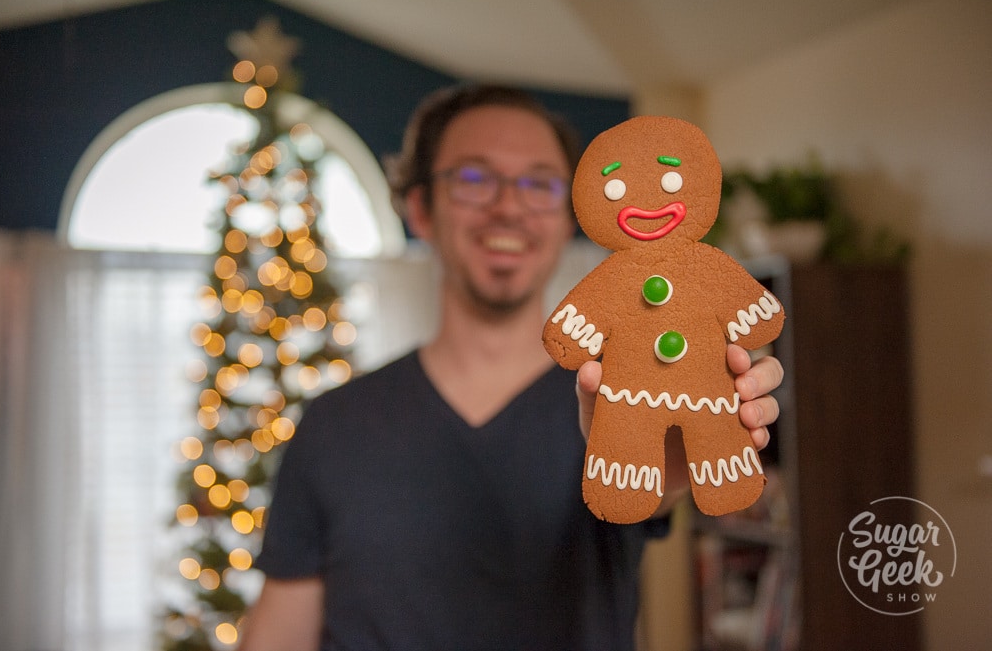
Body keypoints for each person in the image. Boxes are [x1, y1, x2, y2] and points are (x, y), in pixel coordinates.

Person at [238, 84, 784, 651]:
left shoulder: (615, 395)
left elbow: (652, 491)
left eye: (540, 183)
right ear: (420, 208)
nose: (509, 206)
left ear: (571, 214)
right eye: (474, 179)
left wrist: (669, 462)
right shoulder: (334, 426)